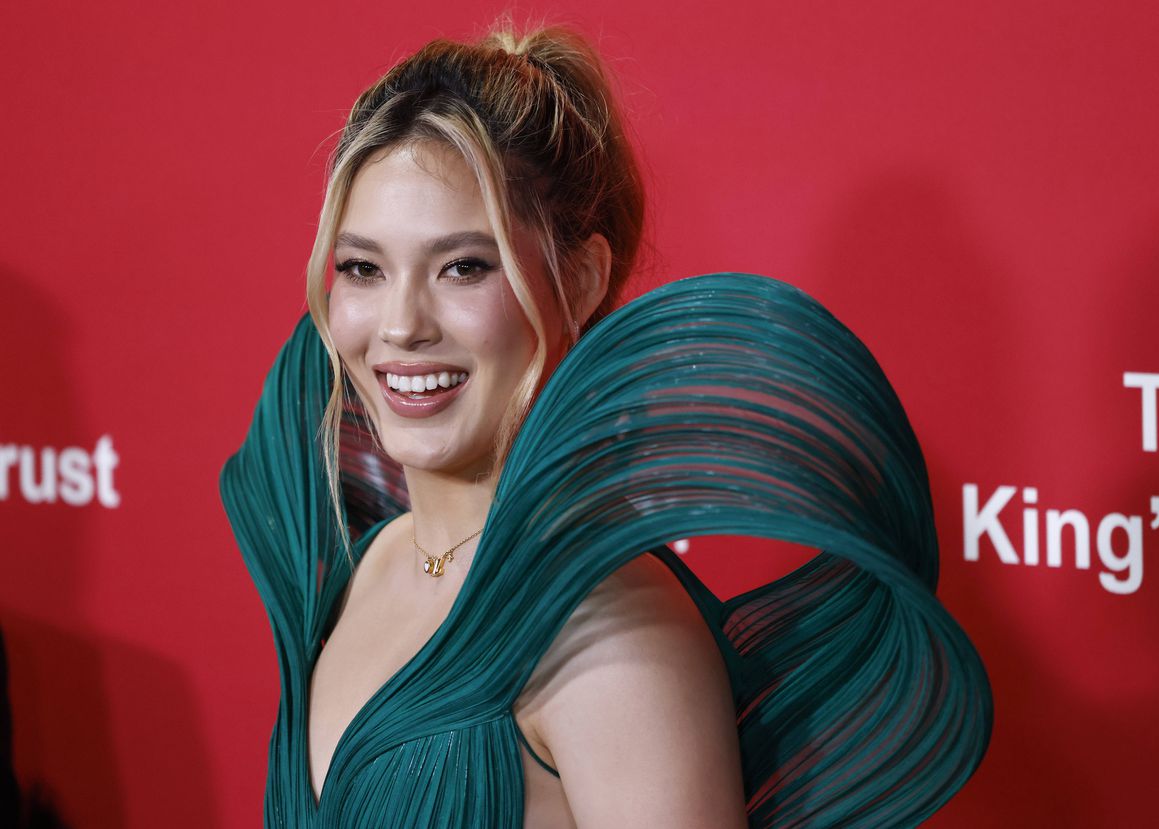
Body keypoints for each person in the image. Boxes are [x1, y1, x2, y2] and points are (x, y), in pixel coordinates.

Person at [220, 23, 992, 829]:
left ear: (583, 279)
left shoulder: (615, 635)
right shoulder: (368, 562)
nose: (401, 324)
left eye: (463, 267)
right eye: (363, 269)